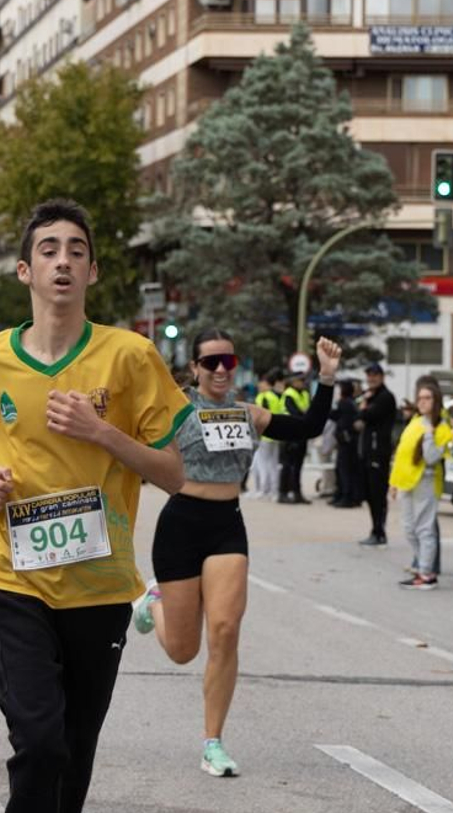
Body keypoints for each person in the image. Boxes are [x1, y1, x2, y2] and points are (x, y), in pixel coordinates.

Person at [0, 199, 190, 813]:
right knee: (38, 745)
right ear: (23, 270)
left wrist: (103, 434)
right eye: (46, 248)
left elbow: (181, 470)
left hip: (100, 588)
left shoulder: (127, 358)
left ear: (90, 269)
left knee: (72, 761)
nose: (60, 260)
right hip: (12, 575)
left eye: (74, 250)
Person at [133, 330, 340, 777]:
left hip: (227, 524)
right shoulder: (176, 407)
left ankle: (213, 743)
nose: (222, 369)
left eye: (228, 360)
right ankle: (155, 603)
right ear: (195, 369)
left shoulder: (249, 414)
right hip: (180, 524)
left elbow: (308, 428)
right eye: (211, 363)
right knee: (183, 652)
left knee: (225, 631)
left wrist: (326, 378)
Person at [389, 375, 453, 590]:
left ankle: (427, 573)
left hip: (425, 481)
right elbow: (402, 453)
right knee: (409, 528)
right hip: (406, 481)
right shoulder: (415, 422)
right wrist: (393, 482)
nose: (423, 401)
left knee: (425, 529)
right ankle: (421, 565)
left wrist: (429, 436)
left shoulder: (442, 427)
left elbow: (433, 457)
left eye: (427, 398)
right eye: (420, 398)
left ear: (436, 401)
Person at [356, 361, 397, 546]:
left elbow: (367, 415)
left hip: (378, 453)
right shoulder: (372, 396)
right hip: (368, 452)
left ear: (381, 377)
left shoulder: (386, 397)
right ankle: (375, 529)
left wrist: (364, 407)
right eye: (369, 376)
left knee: (378, 494)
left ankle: (379, 531)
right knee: (370, 494)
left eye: (374, 375)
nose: (371, 379)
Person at [277, 370, 313, 504]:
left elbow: (310, 412)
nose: (304, 382)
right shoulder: (288, 394)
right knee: (287, 465)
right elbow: (295, 413)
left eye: (304, 380)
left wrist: (305, 415)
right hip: (289, 433)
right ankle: (282, 493)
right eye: (301, 380)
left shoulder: (304, 393)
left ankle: (297, 493)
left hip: (301, 433)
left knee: (298, 465)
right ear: (293, 381)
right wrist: (305, 415)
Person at [249, 370, 284, 500]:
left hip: (264, 435)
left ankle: (264, 490)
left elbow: (258, 417)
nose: (259, 385)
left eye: (261, 382)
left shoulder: (263, 397)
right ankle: (274, 490)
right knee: (274, 464)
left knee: (263, 464)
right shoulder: (277, 396)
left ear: (266, 383)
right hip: (276, 434)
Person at [329, 379, 362, 507]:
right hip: (351, 440)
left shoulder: (343, 403)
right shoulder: (352, 403)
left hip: (346, 440)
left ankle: (346, 496)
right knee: (349, 469)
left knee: (343, 470)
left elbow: (334, 415)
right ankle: (347, 495)